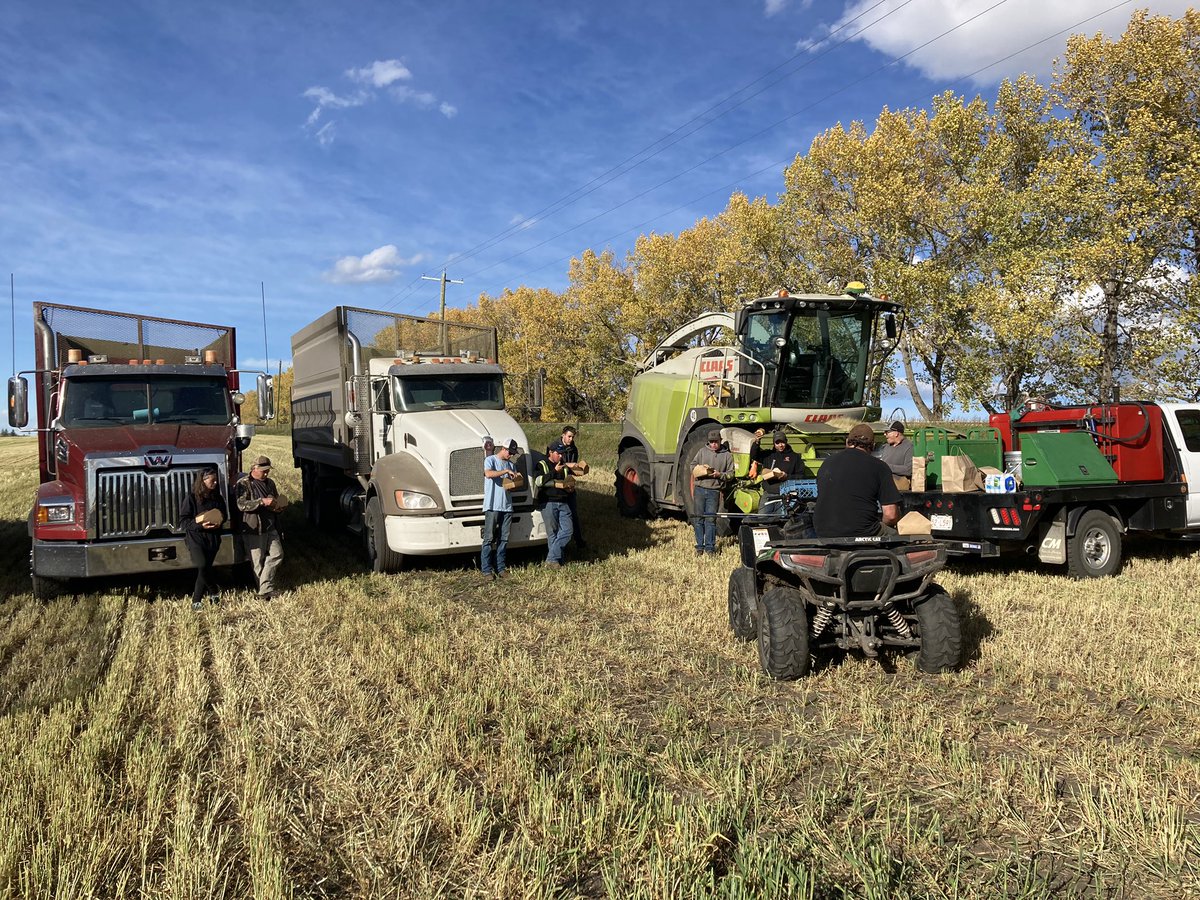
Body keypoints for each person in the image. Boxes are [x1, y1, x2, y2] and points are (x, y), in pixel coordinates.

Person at [814, 423, 900, 537]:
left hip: (823, 531)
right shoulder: (879, 467)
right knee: (895, 535)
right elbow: (891, 515)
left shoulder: (827, 463)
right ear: (873, 446)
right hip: (862, 533)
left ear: (847, 442)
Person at [236, 455, 285, 601]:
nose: (266, 473)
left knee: (277, 554)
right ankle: (265, 591)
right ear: (254, 468)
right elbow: (241, 505)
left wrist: (278, 507)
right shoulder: (243, 483)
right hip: (253, 527)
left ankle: (264, 589)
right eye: (263, 470)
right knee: (257, 562)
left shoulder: (270, 483)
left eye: (268, 470)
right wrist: (261, 502)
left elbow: (275, 499)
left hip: (270, 525)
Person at [179, 465, 226, 610]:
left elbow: (224, 516)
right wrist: (201, 525)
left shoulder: (217, 498)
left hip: (213, 539)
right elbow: (184, 521)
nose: (216, 483)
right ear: (203, 481)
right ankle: (199, 599)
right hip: (196, 539)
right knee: (201, 565)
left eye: (216, 480)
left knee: (204, 569)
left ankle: (210, 595)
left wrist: (218, 522)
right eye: (212, 480)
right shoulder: (191, 499)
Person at [481, 438, 520, 579]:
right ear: (503, 448)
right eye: (510, 452)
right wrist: (505, 470)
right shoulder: (490, 460)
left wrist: (516, 481)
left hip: (507, 506)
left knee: (503, 539)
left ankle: (501, 568)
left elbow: (509, 486)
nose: (511, 455)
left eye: (513, 453)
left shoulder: (511, 465)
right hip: (492, 505)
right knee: (489, 538)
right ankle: (486, 570)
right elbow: (489, 474)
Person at [691, 427, 733, 555]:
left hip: (714, 491)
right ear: (708, 442)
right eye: (711, 441)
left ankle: (710, 548)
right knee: (698, 518)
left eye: (716, 441)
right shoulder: (702, 452)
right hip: (699, 489)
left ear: (720, 441)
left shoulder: (727, 455)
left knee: (710, 520)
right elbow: (692, 465)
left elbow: (731, 474)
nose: (714, 444)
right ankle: (699, 546)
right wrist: (701, 470)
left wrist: (720, 475)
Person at [534, 441, 574, 568]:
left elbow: (568, 480)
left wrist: (570, 488)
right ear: (550, 452)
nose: (561, 456)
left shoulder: (564, 466)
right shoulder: (542, 464)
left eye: (562, 454)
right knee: (552, 533)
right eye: (558, 453)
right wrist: (554, 472)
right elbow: (539, 481)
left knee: (568, 530)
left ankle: (551, 558)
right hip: (548, 502)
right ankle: (556, 562)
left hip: (563, 501)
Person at [559, 425, 587, 550]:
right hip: (559, 482)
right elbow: (555, 465)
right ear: (563, 435)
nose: (571, 439)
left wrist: (577, 470)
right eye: (569, 436)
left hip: (569, 481)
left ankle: (578, 540)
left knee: (574, 513)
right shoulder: (555, 447)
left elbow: (572, 467)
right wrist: (567, 465)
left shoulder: (573, 448)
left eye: (572, 437)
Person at [760, 430, 810, 497]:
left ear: (786, 441)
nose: (780, 445)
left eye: (782, 442)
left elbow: (801, 477)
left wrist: (787, 476)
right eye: (777, 443)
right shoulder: (768, 455)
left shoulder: (795, 457)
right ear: (774, 444)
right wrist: (757, 442)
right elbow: (754, 455)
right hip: (769, 492)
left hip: (787, 494)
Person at [877, 420, 914, 490]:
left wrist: (886, 466)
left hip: (899, 487)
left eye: (887, 432)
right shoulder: (886, 446)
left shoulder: (909, 447)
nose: (884, 434)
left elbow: (908, 470)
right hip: (883, 483)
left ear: (896, 433)